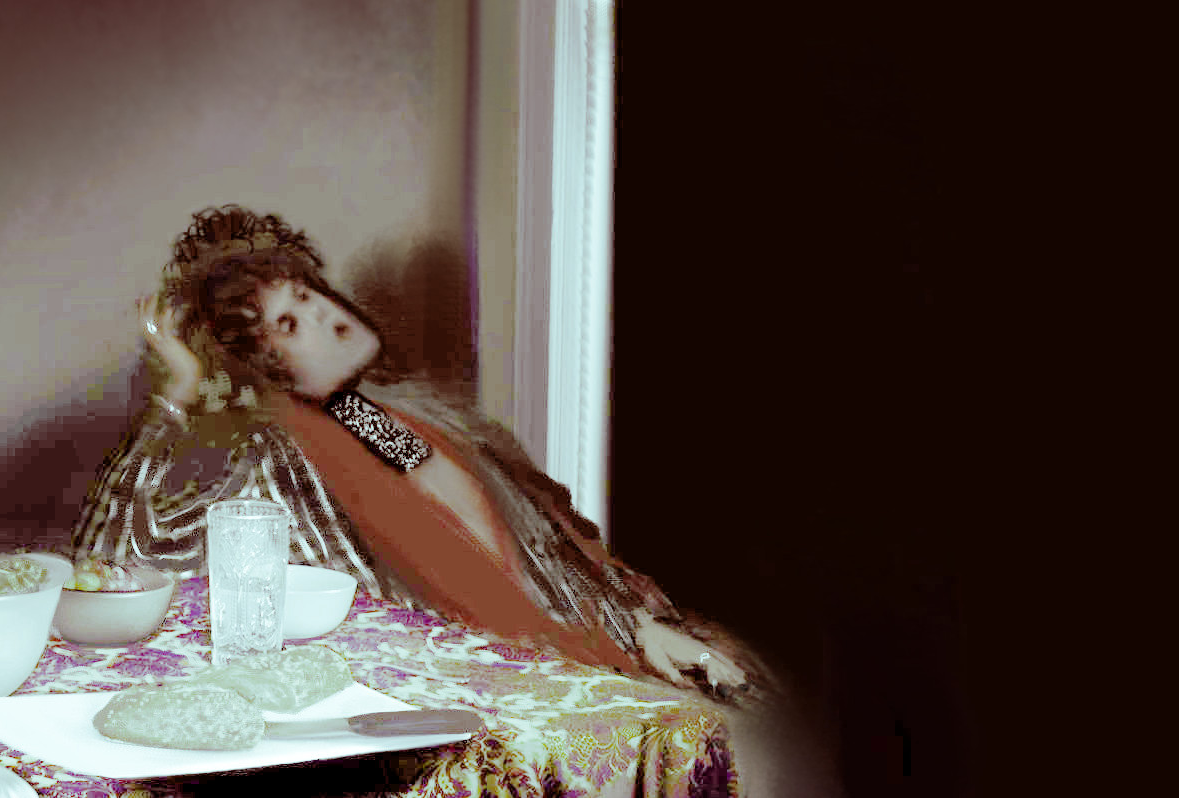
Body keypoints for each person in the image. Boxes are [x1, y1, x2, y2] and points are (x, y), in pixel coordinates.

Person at [68, 204, 763, 700]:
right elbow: (111, 561)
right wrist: (177, 390)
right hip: (465, 691)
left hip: (566, 647)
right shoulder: (277, 455)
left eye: (307, 295)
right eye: (290, 322)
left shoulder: (367, 417)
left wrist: (636, 627)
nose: (326, 315)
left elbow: (513, 549)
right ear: (265, 368)